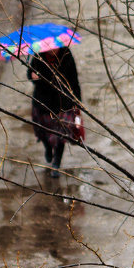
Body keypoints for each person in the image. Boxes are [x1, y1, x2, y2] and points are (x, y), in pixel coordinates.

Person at [27, 46, 82, 178]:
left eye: (55, 49)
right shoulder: (38, 55)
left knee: (61, 135)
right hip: (43, 102)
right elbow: (30, 74)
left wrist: (78, 102)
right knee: (44, 132)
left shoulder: (66, 55)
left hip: (62, 102)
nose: (53, 51)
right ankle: (47, 147)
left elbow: (74, 80)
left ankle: (56, 162)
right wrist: (33, 76)